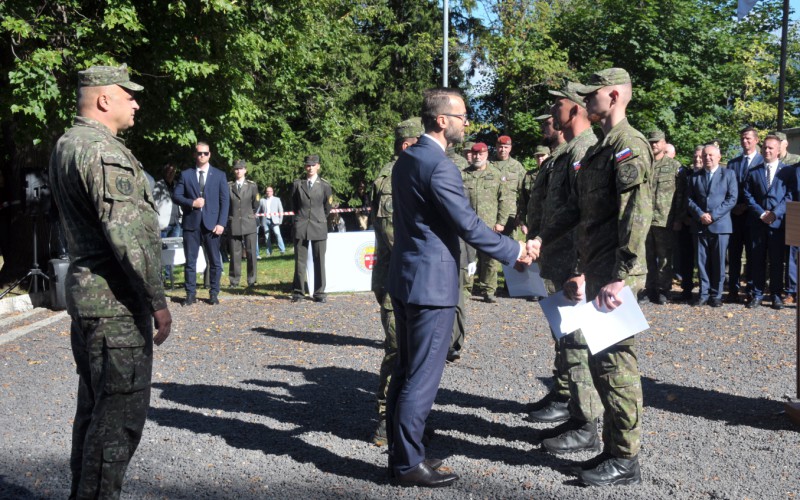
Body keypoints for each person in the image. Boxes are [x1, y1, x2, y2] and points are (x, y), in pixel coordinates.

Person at [386, 88, 529, 487]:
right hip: (431, 286)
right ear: (442, 120)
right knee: (423, 377)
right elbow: (467, 224)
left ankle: (401, 454)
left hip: (407, 277)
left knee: (405, 371)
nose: (468, 122)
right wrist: (515, 250)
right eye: (463, 115)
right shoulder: (440, 165)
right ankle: (408, 464)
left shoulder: (407, 159)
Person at [49, 64, 171, 499]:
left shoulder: (67, 144)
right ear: (104, 99)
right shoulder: (104, 152)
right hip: (115, 308)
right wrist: (157, 300)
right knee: (118, 423)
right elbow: (129, 236)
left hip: (88, 304)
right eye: (129, 95)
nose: (136, 103)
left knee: (94, 414)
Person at [529, 68, 652, 486]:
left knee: (618, 368)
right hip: (597, 271)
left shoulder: (628, 146)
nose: (584, 102)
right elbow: (582, 214)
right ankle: (613, 449)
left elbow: (636, 216)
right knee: (601, 365)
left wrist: (623, 275)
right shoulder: (603, 148)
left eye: (591, 94)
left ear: (613, 96)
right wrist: (552, 246)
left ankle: (626, 459)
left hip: (616, 276)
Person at [532, 82, 603, 456]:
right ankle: (576, 413)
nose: (553, 111)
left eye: (558, 104)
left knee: (579, 345)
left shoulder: (586, 149)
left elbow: (586, 218)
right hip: (559, 263)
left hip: (574, 267)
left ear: (574, 110)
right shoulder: (568, 151)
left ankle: (586, 425)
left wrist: (581, 268)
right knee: (568, 343)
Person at [370, 117, 424, 446]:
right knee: (397, 351)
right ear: (407, 146)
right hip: (397, 285)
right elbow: (397, 238)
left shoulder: (407, 174)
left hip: (411, 282)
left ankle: (406, 420)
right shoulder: (392, 179)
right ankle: (385, 421)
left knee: (413, 351)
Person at [524, 111, 568, 418]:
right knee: (559, 330)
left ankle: (569, 399)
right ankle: (562, 389)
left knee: (570, 333)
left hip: (565, 256)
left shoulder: (575, 154)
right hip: (549, 253)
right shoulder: (553, 159)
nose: (543, 126)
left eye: (548, 121)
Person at [173, 142, 230, 305]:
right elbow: (176, 196)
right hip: (191, 224)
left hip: (212, 225)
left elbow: (225, 201)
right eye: (199, 153)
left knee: (215, 261)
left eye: (205, 153)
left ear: (210, 154)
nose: (202, 156)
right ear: (195, 155)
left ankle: (214, 293)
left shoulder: (219, 175)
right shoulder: (186, 175)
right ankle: (190, 294)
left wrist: (221, 223)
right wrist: (192, 203)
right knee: (190, 262)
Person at [686, 144, 738, 307]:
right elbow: (689, 199)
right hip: (700, 225)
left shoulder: (728, 174)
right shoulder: (695, 176)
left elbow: (732, 198)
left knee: (718, 261)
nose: (707, 158)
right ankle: (703, 293)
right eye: (705, 155)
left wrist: (713, 215)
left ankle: (716, 295)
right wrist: (701, 214)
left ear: (718, 157)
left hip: (721, 225)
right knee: (701, 262)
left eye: (711, 155)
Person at [461, 142, 513, 303]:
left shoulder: (496, 174)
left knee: (490, 259)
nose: (477, 157)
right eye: (475, 154)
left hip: (489, 224)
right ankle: (465, 290)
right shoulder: (463, 174)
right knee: (468, 257)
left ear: (486, 155)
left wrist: (501, 222)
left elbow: (505, 199)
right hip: (468, 224)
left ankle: (488, 290)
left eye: (480, 154)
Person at [743, 135, 790, 309]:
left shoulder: (787, 171)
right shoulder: (753, 171)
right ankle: (757, 294)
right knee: (757, 260)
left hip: (777, 224)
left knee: (777, 261)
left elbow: (789, 195)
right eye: (765, 148)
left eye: (771, 148)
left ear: (778, 151)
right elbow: (747, 195)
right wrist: (762, 214)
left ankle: (776, 295)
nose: (767, 151)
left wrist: (775, 213)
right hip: (758, 223)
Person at [644, 130, 682, 304]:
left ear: (664, 143)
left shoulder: (674, 166)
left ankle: (664, 290)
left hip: (664, 219)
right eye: (651, 142)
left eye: (657, 142)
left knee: (665, 258)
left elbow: (681, 195)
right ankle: (648, 288)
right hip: (644, 220)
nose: (653, 145)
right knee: (646, 257)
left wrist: (678, 218)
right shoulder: (643, 164)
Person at [725, 127, 762, 303]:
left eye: (748, 138)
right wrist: (734, 207)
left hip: (754, 216)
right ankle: (733, 289)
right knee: (734, 255)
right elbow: (727, 189)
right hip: (735, 216)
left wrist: (747, 206)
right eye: (742, 138)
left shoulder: (763, 162)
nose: (745, 141)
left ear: (756, 140)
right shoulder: (733, 163)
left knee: (753, 256)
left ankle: (751, 290)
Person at [290, 154, 332, 303]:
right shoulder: (298, 184)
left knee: (319, 260)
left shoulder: (325, 185)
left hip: (318, 225)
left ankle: (319, 292)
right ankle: (298, 292)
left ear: (318, 166)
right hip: (301, 225)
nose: (310, 168)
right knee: (300, 261)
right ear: (305, 167)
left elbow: (327, 207)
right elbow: (295, 205)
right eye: (308, 165)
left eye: (313, 165)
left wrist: (318, 218)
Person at [672, 146, 705, 302]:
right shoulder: (686, 174)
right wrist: (683, 217)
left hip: (703, 224)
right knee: (686, 258)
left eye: (700, 157)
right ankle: (686, 289)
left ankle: (704, 291)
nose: (697, 160)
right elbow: (681, 197)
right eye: (695, 157)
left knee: (703, 260)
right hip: (686, 223)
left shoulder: (709, 175)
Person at [227, 160, 259, 288]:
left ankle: (252, 280)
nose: (238, 171)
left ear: (245, 170)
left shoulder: (252, 186)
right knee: (235, 254)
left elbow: (256, 204)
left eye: (240, 169)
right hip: (234, 222)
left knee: (251, 253)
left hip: (248, 222)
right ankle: (234, 280)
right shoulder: (229, 186)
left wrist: (249, 214)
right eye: (236, 169)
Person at [154, 163, 182, 286]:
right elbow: (154, 203)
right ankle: (159, 278)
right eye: (169, 172)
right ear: (165, 172)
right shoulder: (158, 185)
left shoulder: (177, 185)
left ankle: (169, 277)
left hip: (176, 222)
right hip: (163, 223)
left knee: (172, 252)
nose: (171, 174)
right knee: (161, 252)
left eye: (173, 172)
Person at [493, 135, 527, 232]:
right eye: (500, 146)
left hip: (510, 215)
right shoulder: (488, 164)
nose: (503, 150)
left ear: (510, 148)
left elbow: (523, 193)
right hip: (490, 214)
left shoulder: (517, 166)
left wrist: (520, 215)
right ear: (496, 147)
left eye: (506, 147)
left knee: (510, 244)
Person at [257, 186, 286, 256]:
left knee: (277, 234)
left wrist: (280, 220)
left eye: (269, 191)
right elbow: (258, 211)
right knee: (267, 237)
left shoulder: (277, 199)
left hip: (275, 220)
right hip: (265, 220)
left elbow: (281, 210)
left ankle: (282, 250)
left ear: (272, 192)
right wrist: (257, 219)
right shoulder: (262, 200)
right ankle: (269, 252)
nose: (268, 192)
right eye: (267, 191)